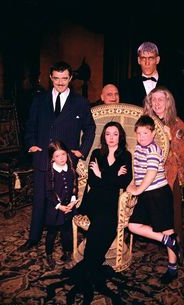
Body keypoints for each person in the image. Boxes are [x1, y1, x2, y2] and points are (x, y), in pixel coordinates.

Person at [19, 61, 96, 251]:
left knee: (67, 198)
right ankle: (34, 238)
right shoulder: (39, 100)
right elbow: (30, 126)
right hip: (42, 158)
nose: (60, 82)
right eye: (56, 78)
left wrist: (82, 151)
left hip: (67, 161)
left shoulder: (80, 102)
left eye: (64, 78)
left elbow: (90, 128)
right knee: (40, 199)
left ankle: (68, 242)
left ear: (70, 78)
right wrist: (31, 145)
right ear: (51, 78)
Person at [72, 121, 132, 287]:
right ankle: (94, 265)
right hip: (94, 199)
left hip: (113, 200)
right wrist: (113, 175)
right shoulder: (97, 153)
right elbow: (93, 181)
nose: (111, 137)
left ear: (120, 137)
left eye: (115, 134)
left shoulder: (126, 156)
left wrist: (101, 173)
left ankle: (90, 264)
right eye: (108, 134)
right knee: (100, 220)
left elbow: (124, 181)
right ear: (104, 136)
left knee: (107, 223)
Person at [127, 115, 182, 285]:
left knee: (167, 228)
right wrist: (132, 184)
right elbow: (138, 172)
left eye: (145, 133)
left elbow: (150, 174)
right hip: (146, 194)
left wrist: (137, 189)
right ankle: (167, 241)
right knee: (132, 225)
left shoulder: (153, 149)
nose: (142, 136)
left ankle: (173, 268)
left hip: (159, 194)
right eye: (139, 133)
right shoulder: (138, 148)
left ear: (153, 134)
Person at [143, 86, 184, 246]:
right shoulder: (145, 122)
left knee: (171, 215)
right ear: (149, 103)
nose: (157, 103)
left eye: (161, 99)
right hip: (146, 174)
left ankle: (175, 246)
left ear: (168, 103)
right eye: (154, 100)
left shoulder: (176, 123)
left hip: (169, 176)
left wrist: (172, 139)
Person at [45, 140, 78, 269]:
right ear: (52, 158)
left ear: (67, 154)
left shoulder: (71, 170)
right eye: (57, 156)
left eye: (63, 154)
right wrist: (59, 206)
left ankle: (67, 253)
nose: (61, 158)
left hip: (68, 207)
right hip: (55, 209)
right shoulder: (49, 173)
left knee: (66, 232)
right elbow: (48, 192)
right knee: (52, 233)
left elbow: (74, 187)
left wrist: (73, 201)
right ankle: (49, 254)